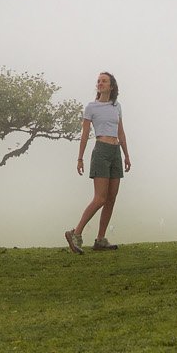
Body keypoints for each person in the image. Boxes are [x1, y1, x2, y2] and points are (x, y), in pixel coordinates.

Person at [65, 70, 130, 253]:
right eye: (98, 81)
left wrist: (126, 155)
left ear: (111, 86)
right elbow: (85, 135)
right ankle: (75, 233)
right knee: (100, 198)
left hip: (115, 151)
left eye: (104, 81)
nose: (100, 83)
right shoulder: (91, 108)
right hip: (101, 150)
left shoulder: (117, 106)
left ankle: (100, 240)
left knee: (111, 198)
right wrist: (80, 158)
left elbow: (121, 132)